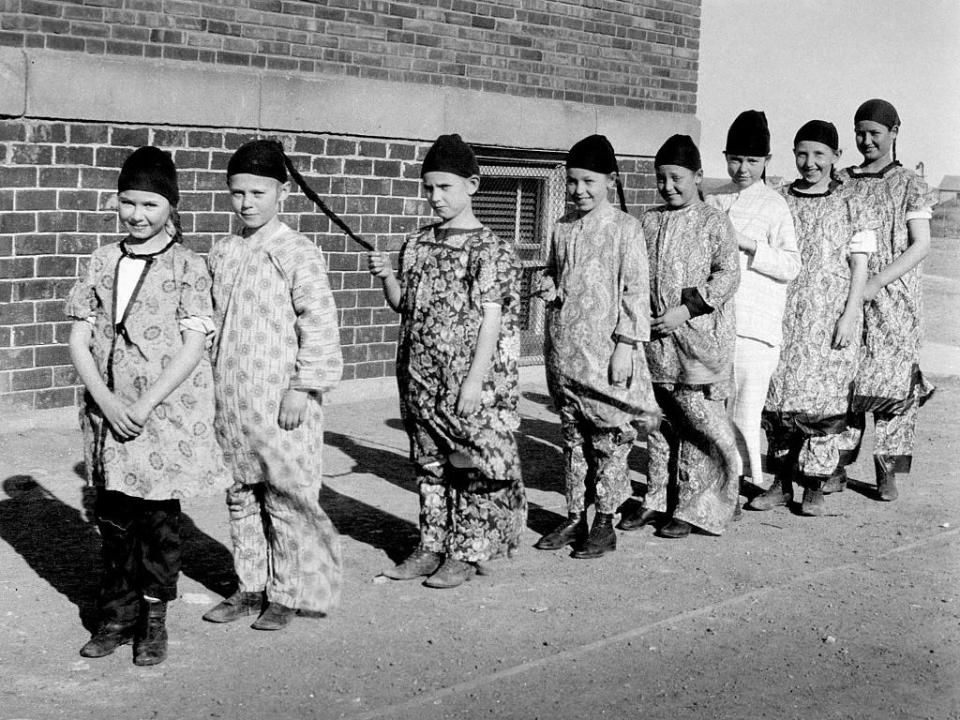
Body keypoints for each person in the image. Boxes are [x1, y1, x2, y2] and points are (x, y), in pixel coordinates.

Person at [67, 147, 229, 665]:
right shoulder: (101, 260)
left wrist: (144, 403)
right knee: (113, 518)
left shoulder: (188, 266)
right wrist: (107, 399)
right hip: (109, 412)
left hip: (161, 417)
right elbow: (78, 338)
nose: (137, 214)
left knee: (158, 523)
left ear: (171, 209)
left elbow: (193, 345)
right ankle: (117, 613)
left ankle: (154, 618)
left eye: (151, 204)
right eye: (128, 202)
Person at [367, 133, 526, 588]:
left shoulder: (490, 249)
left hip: (464, 381)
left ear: (472, 185)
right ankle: (431, 545)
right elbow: (405, 306)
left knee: (469, 462)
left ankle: (465, 551)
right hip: (419, 376)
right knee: (430, 464)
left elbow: (493, 321)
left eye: (445, 188)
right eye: (428, 188)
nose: (435, 198)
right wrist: (387, 278)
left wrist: (474, 382)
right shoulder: (416, 244)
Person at [202, 139, 343, 630]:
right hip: (233, 403)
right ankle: (249, 586)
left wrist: (302, 388)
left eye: (258, 192)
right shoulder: (223, 252)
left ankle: (287, 592)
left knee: (284, 496)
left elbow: (319, 323)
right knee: (241, 495)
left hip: (283, 403)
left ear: (281, 192)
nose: (247, 202)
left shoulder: (296, 251)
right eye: (238, 192)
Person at [533, 134, 656, 559]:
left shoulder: (626, 229)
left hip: (606, 355)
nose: (579, 190)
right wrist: (547, 285)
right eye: (572, 182)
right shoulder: (562, 227)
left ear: (609, 179)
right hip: (565, 351)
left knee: (608, 437)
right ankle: (573, 517)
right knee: (572, 436)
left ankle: (604, 522)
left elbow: (637, 292)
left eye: (589, 181)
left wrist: (625, 346)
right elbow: (553, 272)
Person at [757, 120, 877, 516]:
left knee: (822, 402)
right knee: (779, 399)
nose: (810, 163)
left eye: (819, 155)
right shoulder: (780, 199)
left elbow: (859, 265)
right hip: (783, 313)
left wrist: (849, 313)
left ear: (836, 158)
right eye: (802, 154)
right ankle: (780, 482)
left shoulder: (851, 202)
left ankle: (815, 485)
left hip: (829, 318)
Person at [623, 134, 741, 539]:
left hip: (697, 344)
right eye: (661, 179)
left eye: (677, 178)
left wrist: (686, 310)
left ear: (698, 176)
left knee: (695, 425)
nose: (668, 187)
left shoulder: (714, 221)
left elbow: (728, 274)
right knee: (658, 424)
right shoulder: (650, 219)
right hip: (656, 345)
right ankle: (657, 498)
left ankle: (694, 506)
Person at [836, 99, 934, 501]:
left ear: (894, 132)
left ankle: (886, 470)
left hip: (894, 296)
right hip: (846, 291)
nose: (866, 140)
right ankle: (834, 463)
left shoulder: (910, 182)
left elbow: (921, 245)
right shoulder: (843, 179)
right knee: (845, 375)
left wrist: (877, 281)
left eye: (875, 132)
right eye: (860, 132)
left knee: (892, 382)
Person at [706, 110, 800, 494]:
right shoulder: (713, 199)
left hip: (755, 326)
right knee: (712, 406)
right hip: (715, 321)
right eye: (735, 159)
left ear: (766, 162)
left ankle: (746, 481)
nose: (742, 168)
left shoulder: (774, 204)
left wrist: (747, 243)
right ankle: (712, 477)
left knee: (746, 408)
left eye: (752, 161)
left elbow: (790, 264)